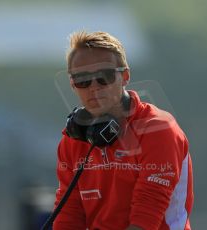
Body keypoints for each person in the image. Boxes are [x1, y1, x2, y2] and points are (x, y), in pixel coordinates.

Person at [53, 31, 194, 230]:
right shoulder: (73, 139)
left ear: (125, 76)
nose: (94, 87)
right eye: (83, 79)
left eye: (105, 77)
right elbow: (69, 214)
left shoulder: (158, 129)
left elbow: (147, 215)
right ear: (72, 84)